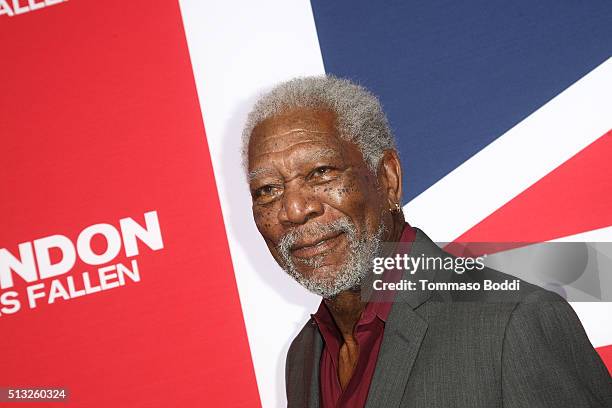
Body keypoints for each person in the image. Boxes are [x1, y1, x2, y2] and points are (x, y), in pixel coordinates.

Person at [242, 76, 612, 407]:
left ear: (388, 180)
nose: (294, 209)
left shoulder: (515, 322)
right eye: (268, 190)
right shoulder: (305, 355)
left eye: (321, 173)